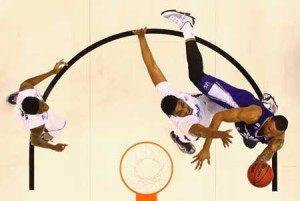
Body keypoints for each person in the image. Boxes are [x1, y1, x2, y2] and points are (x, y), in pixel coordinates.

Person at [161, 9, 288, 170]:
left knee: (250, 143)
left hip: (244, 122)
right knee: (196, 76)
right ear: (269, 121)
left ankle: (268, 106)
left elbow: (268, 152)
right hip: (232, 102)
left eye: (272, 134)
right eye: (269, 129)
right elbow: (219, 117)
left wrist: (257, 167)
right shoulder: (253, 114)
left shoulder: (276, 139)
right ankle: (187, 24)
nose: (269, 134)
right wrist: (206, 148)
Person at [133, 27, 233, 155]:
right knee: (234, 110)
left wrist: (141, 37)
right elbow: (202, 131)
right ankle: (179, 140)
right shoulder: (184, 123)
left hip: (202, 101)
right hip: (201, 122)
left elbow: (151, 65)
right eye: (180, 112)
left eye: (182, 105)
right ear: (175, 115)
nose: (186, 110)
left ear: (178, 99)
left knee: (233, 102)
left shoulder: (168, 94)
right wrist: (219, 134)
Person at [7, 59, 68, 152]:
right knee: (61, 124)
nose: (46, 107)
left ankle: (15, 98)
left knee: (21, 95)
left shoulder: (26, 89)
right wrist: (54, 147)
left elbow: (28, 82)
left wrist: (52, 72)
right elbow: (35, 142)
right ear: (35, 114)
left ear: (35, 98)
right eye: (41, 111)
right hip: (29, 121)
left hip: (22, 104)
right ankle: (46, 137)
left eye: (42, 103)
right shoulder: (37, 125)